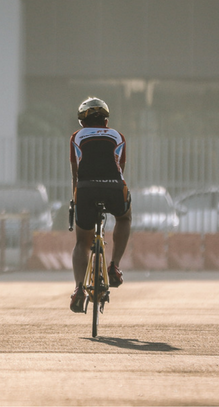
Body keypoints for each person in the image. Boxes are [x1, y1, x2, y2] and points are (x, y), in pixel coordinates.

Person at [68, 97, 132, 313]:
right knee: (124, 218)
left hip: (85, 190)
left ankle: (78, 289)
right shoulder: (117, 136)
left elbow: (75, 173)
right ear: (106, 120)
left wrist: (75, 199)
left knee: (81, 243)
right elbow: (120, 168)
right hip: (114, 187)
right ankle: (114, 266)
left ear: (82, 121)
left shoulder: (76, 137)